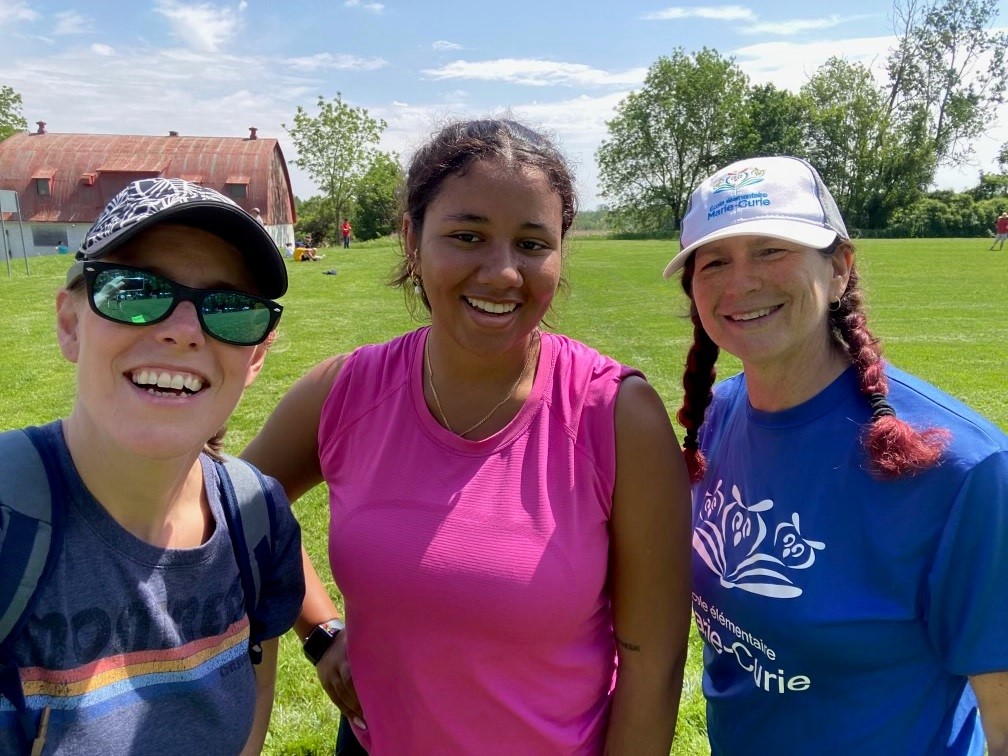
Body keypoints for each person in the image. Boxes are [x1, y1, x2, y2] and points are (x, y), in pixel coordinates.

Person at [243, 118, 693, 755]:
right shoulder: (345, 391)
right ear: (412, 239)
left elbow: (653, 664)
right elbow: (237, 513)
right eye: (467, 236)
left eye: (533, 243)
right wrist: (319, 631)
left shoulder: (618, 416)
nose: (503, 272)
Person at [665, 155, 1008, 754]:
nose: (739, 282)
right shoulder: (715, 417)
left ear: (841, 268)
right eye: (714, 261)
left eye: (773, 250)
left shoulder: (963, 470)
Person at [0, 178, 304, 754]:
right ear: (71, 324)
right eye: (134, 290)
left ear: (256, 358)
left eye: (230, 309)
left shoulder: (256, 518)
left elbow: (254, 692)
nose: (183, 331)